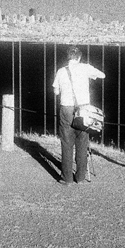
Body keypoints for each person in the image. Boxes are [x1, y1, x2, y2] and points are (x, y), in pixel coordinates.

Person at [52, 46, 105, 184]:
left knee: (67, 143)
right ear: (79, 57)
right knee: (82, 143)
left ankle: (66, 178)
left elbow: (56, 92)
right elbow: (102, 75)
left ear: (68, 57)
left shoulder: (61, 71)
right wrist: (88, 73)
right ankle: (80, 177)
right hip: (83, 110)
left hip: (66, 110)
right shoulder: (85, 68)